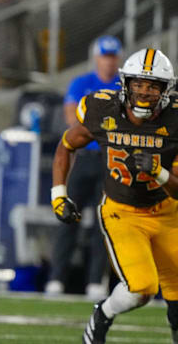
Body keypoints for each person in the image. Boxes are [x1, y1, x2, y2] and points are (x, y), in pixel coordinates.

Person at [52, 48, 178, 344]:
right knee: (141, 289)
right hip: (123, 212)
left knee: (177, 292)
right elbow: (67, 144)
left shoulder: (174, 120)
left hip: (166, 211)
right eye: (138, 84)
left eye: (152, 86)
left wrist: (158, 172)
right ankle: (103, 314)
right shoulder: (102, 109)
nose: (144, 93)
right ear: (126, 84)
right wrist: (59, 194)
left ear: (165, 90)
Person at [45, 35, 122, 299]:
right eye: (105, 56)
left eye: (113, 56)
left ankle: (96, 280)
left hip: (112, 159)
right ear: (97, 58)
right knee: (67, 215)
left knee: (105, 220)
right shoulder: (82, 83)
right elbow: (71, 119)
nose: (109, 62)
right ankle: (56, 277)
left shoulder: (122, 85)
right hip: (83, 156)